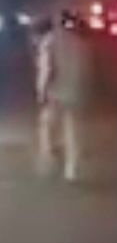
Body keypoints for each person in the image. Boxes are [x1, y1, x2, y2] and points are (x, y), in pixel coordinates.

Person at [34, 11, 91, 181]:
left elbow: (46, 70)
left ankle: (50, 156)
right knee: (72, 130)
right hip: (74, 90)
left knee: (47, 125)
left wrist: (42, 91)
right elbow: (85, 68)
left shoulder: (48, 43)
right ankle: (71, 168)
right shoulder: (78, 42)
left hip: (55, 92)